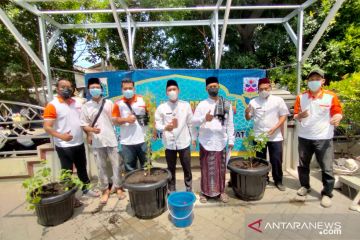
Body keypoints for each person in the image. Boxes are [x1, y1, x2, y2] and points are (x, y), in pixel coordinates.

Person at [43, 79, 99, 203]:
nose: (66, 89)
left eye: (69, 87)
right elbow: (47, 127)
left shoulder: (77, 104)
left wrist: (88, 134)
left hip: (79, 143)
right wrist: (61, 136)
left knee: (82, 168)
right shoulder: (52, 105)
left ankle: (86, 189)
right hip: (64, 146)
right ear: (57, 89)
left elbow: (82, 122)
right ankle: (69, 197)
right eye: (63, 87)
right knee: (67, 172)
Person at [293, 69, 343, 208]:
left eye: (317, 79)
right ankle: (305, 186)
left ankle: (327, 193)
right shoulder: (301, 97)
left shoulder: (330, 96)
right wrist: (299, 116)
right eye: (311, 79)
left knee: (326, 168)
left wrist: (337, 117)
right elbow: (295, 114)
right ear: (308, 82)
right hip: (304, 137)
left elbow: (337, 113)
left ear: (322, 81)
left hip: (324, 138)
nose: (313, 81)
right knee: (303, 165)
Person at [80, 78, 125, 204]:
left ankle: (118, 188)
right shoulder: (86, 107)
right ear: (89, 90)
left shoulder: (109, 103)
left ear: (101, 89)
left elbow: (115, 120)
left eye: (97, 87)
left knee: (117, 165)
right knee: (101, 167)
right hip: (97, 142)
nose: (95, 89)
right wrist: (91, 130)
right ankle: (105, 190)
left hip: (111, 139)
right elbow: (83, 125)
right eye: (92, 87)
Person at [192, 76, 234, 203]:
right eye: (211, 87)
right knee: (206, 168)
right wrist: (204, 119)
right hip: (206, 141)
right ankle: (204, 193)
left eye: (215, 86)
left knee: (221, 169)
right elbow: (193, 123)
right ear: (206, 89)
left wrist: (231, 140)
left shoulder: (226, 104)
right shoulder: (202, 105)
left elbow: (230, 123)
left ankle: (221, 192)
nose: (213, 88)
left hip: (221, 141)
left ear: (219, 87)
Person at [245, 77, 289, 191]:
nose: (263, 91)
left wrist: (275, 127)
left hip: (275, 136)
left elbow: (284, 115)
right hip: (259, 136)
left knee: (276, 160)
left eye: (266, 88)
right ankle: (263, 179)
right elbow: (248, 118)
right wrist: (246, 113)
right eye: (261, 89)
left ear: (270, 88)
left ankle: (278, 180)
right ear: (258, 90)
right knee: (260, 160)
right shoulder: (253, 102)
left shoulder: (278, 100)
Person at [155, 79, 195, 193]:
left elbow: (191, 123)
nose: (172, 91)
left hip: (184, 142)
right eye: (169, 90)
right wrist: (164, 127)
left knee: (187, 167)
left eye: (174, 89)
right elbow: (157, 123)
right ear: (166, 92)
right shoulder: (162, 107)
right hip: (169, 144)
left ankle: (189, 188)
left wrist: (194, 138)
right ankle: (171, 189)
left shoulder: (185, 105)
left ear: (178, 90)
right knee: (170, 168)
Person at [112, 78, 148, 172]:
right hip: (127, 142)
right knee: (130, 169)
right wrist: (126, 119)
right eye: (125, 88)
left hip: (143, 140)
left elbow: (151, 116)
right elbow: (114, 121)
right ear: (122, 90)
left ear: (134, 89)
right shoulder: (118, 103)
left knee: (147, 167)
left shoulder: (143, 100)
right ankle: (132, 187)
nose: (128, 90)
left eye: (130, 88)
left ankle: (147, 186)